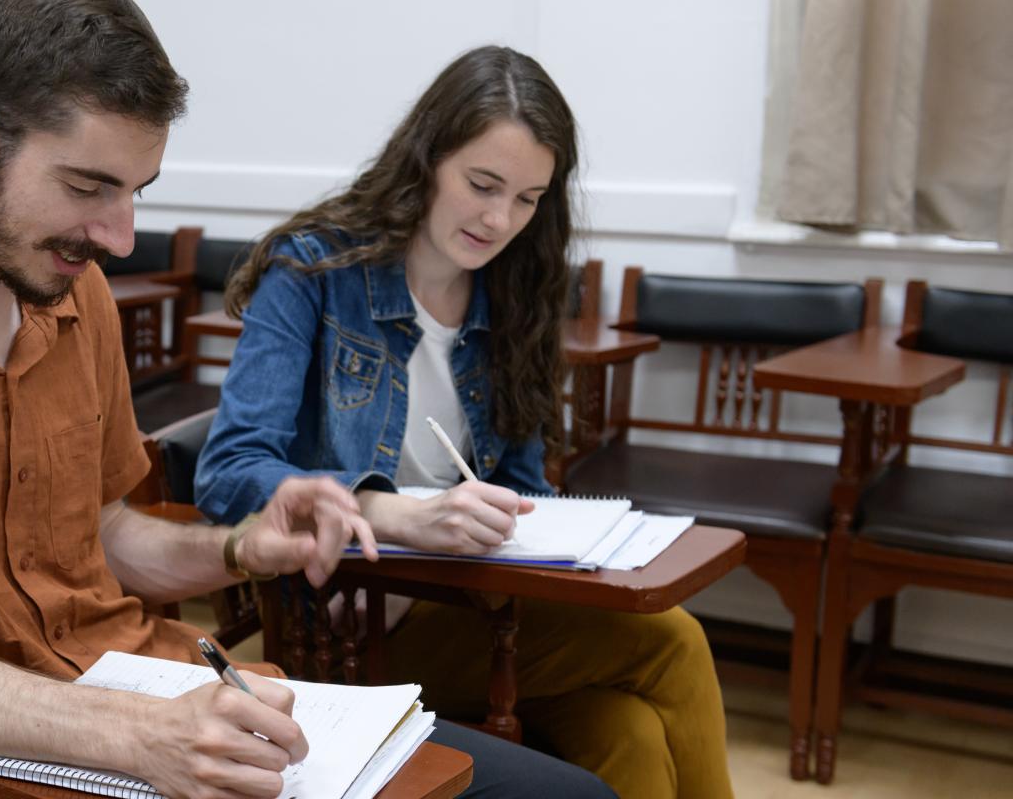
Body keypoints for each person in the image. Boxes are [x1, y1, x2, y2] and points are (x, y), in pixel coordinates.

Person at [0, 1, 611, 797]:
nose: (119, 236)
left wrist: (243, 547)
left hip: (149, 700)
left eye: (136, 193)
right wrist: (136, 733)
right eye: (88, 187)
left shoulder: (74, 298)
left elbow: (108, 538)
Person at [196, 46, 734, 799]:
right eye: (482, 185)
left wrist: (510, 523)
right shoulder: (313, 271)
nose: (498, 219)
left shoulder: (514, 292)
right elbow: (227, 472)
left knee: (631, 735)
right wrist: (393, 515)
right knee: (675, 641)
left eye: (527, 198)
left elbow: (519, 489)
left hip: (471, 605)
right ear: (426, 158)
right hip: (347, 627)